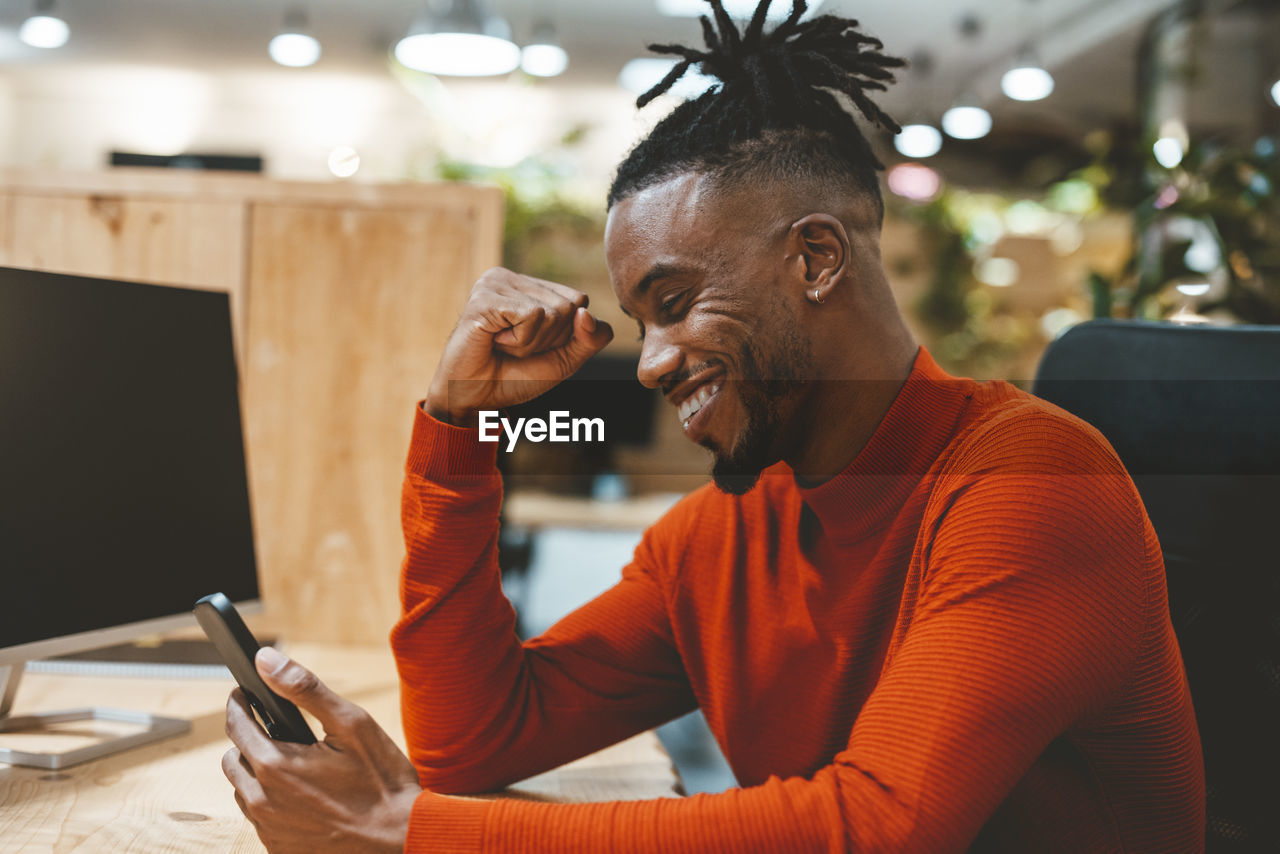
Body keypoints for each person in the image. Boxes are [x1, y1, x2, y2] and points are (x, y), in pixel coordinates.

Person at [221, 1, 1205, 851]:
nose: (649, 360)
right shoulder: (718, 538)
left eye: (675, 299)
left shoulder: (1029, 481)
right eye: (640, 320)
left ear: (814, 257)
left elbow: (881, 825)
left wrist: (409, 831)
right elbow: (472, 738)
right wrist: (459, 430)